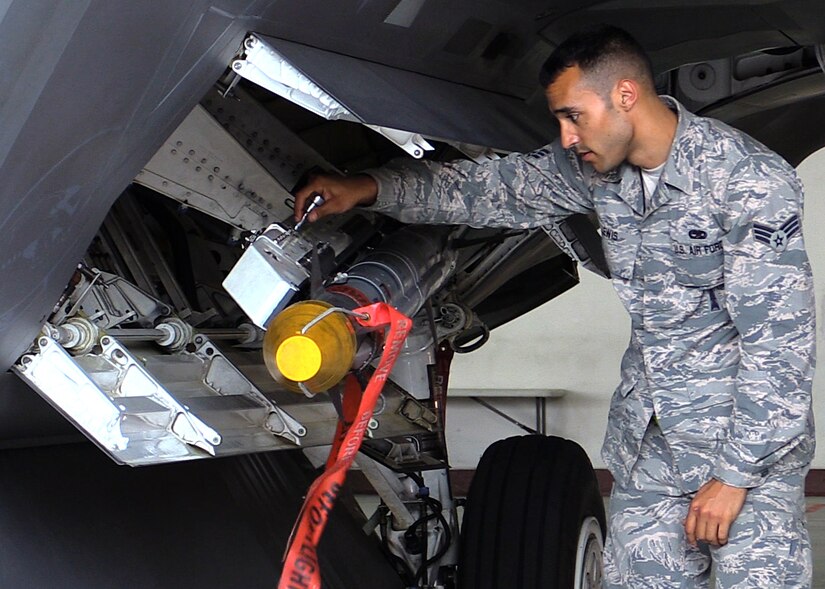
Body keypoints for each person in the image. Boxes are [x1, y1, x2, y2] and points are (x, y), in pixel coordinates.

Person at [293, 25, 815, 588]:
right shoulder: (597, 171)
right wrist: (369, 187)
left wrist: (734, 476)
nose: (566, 137)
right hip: (651, 443)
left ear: (624, 95)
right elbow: (492, 188)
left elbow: (780, 346)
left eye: (573, 116)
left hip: (744, 452)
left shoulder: (746, 179)